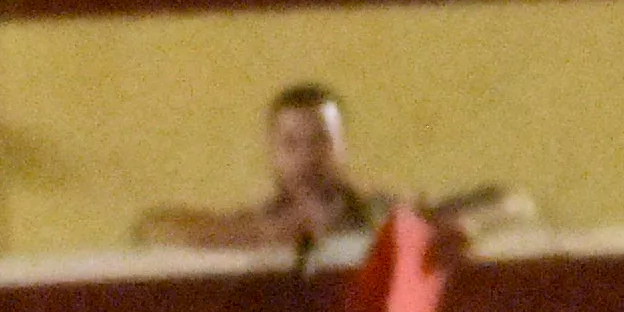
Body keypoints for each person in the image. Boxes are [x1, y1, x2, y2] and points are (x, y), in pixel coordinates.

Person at [139, 79, 524, 249]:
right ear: (272, 152)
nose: (307, 156)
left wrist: (444, 230)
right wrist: (267, 234)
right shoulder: (258, 222)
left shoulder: (382, 214)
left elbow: (511, 202)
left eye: (321, 140)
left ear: (341, 148)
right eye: (292, 143)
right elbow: (152, 228)